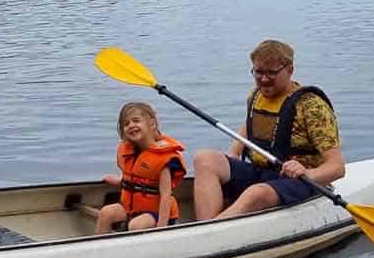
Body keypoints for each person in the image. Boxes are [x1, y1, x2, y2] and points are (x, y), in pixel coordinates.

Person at [192, 39, 344, 219]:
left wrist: (306, 172)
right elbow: (251, 126)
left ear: (289, 70)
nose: (264, 79)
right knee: (204, 159)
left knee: (256, 193)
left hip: (300, 181)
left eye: (271, 73)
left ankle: (212, 232)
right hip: (262, 172)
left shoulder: (311, 107)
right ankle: (205, 228)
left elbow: (337, 168)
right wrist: (234, 151)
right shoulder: (256, 96)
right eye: (258, 72)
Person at [98, 101, 185, 232]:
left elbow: (166, 196)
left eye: (136, 120)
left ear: (152, 124)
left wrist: (162, 228)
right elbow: (134, 180)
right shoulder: (130, 152)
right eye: (126, 124)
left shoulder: (163, 158)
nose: (131, 125)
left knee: (136, 225)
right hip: (132, 209)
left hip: (157, 214)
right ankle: (100, 247)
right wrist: (119, 182)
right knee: (106, 212)